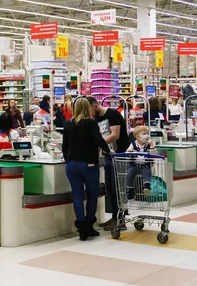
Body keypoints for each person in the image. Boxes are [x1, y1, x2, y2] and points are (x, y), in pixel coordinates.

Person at [62, 98, 113, 241]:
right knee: (92, 195)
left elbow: (64, 145)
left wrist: (68, 158)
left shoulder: (68, 123)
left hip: (71, 165)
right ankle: (89, 225)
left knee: (77, 196)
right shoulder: (91, 123)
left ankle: (82, 228)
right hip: (89, 164)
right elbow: (99, 140)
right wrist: (108, 151)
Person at [87, 96, 130, 231]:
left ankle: (121, 219)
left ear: (95, 106)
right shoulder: (97, 118)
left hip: (120, 155)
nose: (89, 114)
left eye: (89, 110)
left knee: (119, 188)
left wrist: (98, 146)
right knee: (111, 188)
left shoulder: (113, 114)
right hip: (109, 155)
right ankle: (114, 217)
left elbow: (115, 135)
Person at [126, 126, 155, 200]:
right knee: (129, 173)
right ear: (137, 137)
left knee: (147, 172)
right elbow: (127, 153)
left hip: (144, 165)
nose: (146, 136)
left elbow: (154, 154)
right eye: (144, 134)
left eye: (147, 133)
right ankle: (130, 190)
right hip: (134, 165)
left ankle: (147, 187)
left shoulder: (148, 145)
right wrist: (129, 151)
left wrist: (152, 146)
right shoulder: (133, 144)